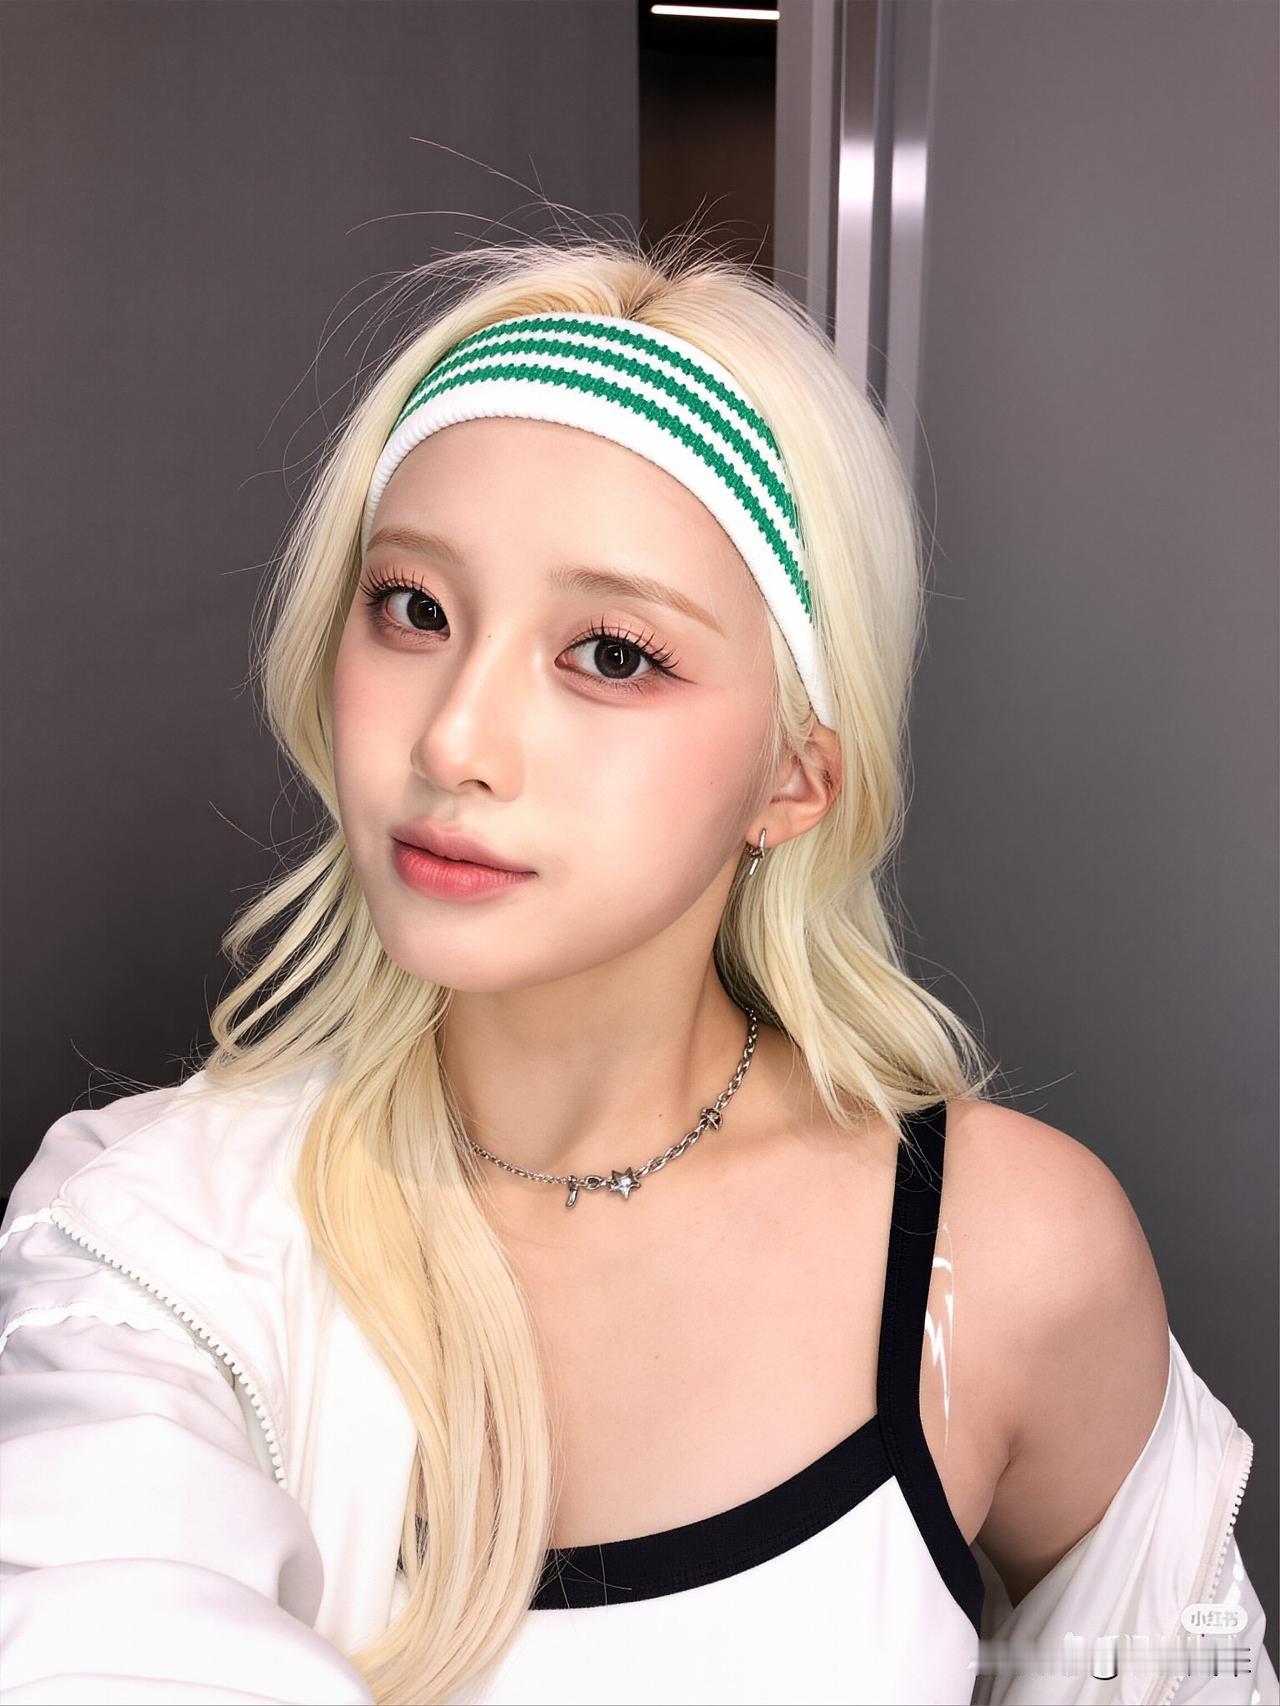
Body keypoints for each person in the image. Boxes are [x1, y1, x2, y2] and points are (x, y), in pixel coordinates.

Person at [1, 232, 1274, 1706]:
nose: (453, 741)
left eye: (611, 653)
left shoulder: (999, 1257)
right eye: (413, 607)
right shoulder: (152, 1242)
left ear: (795, 778)